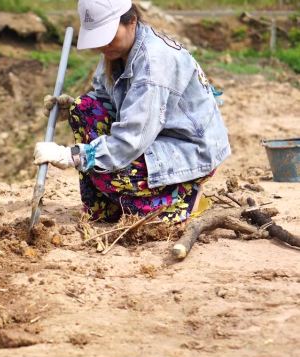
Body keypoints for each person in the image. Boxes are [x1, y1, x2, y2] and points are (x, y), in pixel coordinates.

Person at [33, 0, 230, 223]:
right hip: (154, 137)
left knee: (114, 175)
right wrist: (68, 109)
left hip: (186, 148)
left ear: (132, 21)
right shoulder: (117, 52)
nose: (103, 45)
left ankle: (183, 199)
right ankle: (107, 208)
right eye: (98, 38)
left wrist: (74, 156)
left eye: (107, 35)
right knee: (82, 109)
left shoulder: (153, 65)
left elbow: (131, 140)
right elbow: (105, 96)